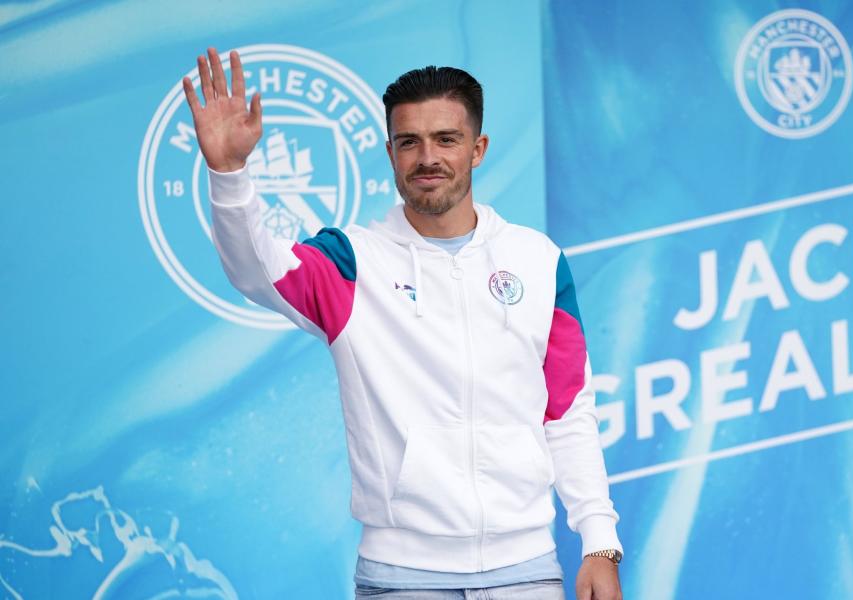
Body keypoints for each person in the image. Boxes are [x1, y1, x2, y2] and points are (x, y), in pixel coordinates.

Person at [182, 47, 623, 600]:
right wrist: (229, 173)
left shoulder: (537, 260)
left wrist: (599, 543)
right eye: (409, 141)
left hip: (527, 570)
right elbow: (256, 270)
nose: (427, 157)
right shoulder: (352, 263)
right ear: (389, 152)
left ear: (478, 149)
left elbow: (568, 411)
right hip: (403, 579)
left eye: (446, 139)